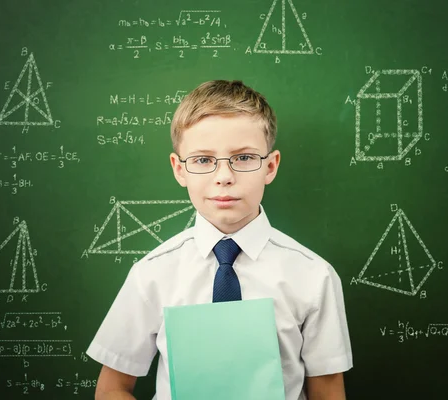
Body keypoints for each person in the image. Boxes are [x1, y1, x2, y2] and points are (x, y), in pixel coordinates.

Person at [87, 80, 353, 400]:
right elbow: (112, 388)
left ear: (270, 166)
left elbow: (327, 392)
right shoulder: (152, 274)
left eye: (243, 158)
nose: (224, 176)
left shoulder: (313, 275)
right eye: (202, 160)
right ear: (179, 169)